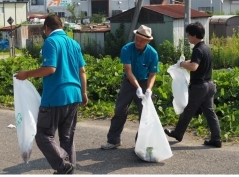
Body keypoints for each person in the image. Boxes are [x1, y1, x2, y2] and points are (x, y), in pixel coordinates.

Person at [15, 14, 88, 174]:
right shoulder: (73, 43)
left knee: (43, 135)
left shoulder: (51, 41)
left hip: (56, 96)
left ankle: (63, 164)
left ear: (46, 28)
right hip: (74, 95)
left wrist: (26, 74)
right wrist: (84, 92)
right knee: (67, 137)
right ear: (61, 26)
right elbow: (82, 71)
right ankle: (69, 169)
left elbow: (50, 69)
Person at [101, 24, 159, 150]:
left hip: (144, 83)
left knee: (145, 115)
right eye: (137, 39)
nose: (138, 42)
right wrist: (137, 87)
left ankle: (140, 144)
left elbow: (152, 74)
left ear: (148, 41)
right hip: (129, 82)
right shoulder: (127, 49)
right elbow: (128, 71)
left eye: (141, 40)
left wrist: (148, 89)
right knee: (120, 111)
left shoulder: (152, 53)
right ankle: (113, 140)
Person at [164, 21, 222, 147]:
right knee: (210, 112)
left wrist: (181, 64)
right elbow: (196, 61)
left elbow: (194, 66)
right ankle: (216, 139)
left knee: (188, 110)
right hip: (210, 85)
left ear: (194, 35)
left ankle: (178, 133)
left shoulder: (197, 49)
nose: (187, 37)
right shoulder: (205, 47)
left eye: (188, 35)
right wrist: (185, 62)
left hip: (200, 86)